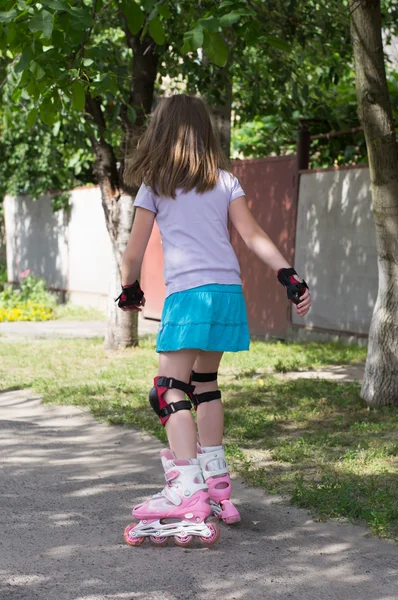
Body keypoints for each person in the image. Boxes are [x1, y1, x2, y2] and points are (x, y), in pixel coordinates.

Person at [118, 94, 311, 548]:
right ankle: (217, 484)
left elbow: (134, 249)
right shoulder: (224, 180)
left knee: (167, 390)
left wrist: (130, 291)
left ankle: (186, 488)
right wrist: (290, 276)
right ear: (205, 131)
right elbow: (253, 234)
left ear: (161, 132)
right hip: (227, 293)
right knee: (205, 384)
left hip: (189, 296)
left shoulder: (157, 183)